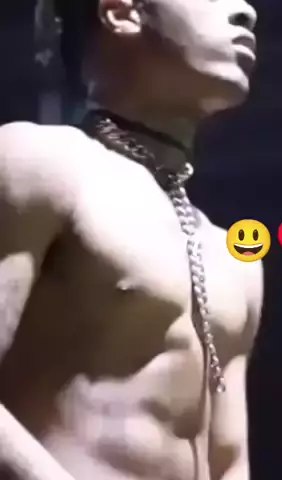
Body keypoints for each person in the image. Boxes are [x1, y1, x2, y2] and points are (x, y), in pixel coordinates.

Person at [0, 0, 262, 479]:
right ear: (122, 11)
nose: (246, 10)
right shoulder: (40, 164)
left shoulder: (236, 257)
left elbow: (229, 461)